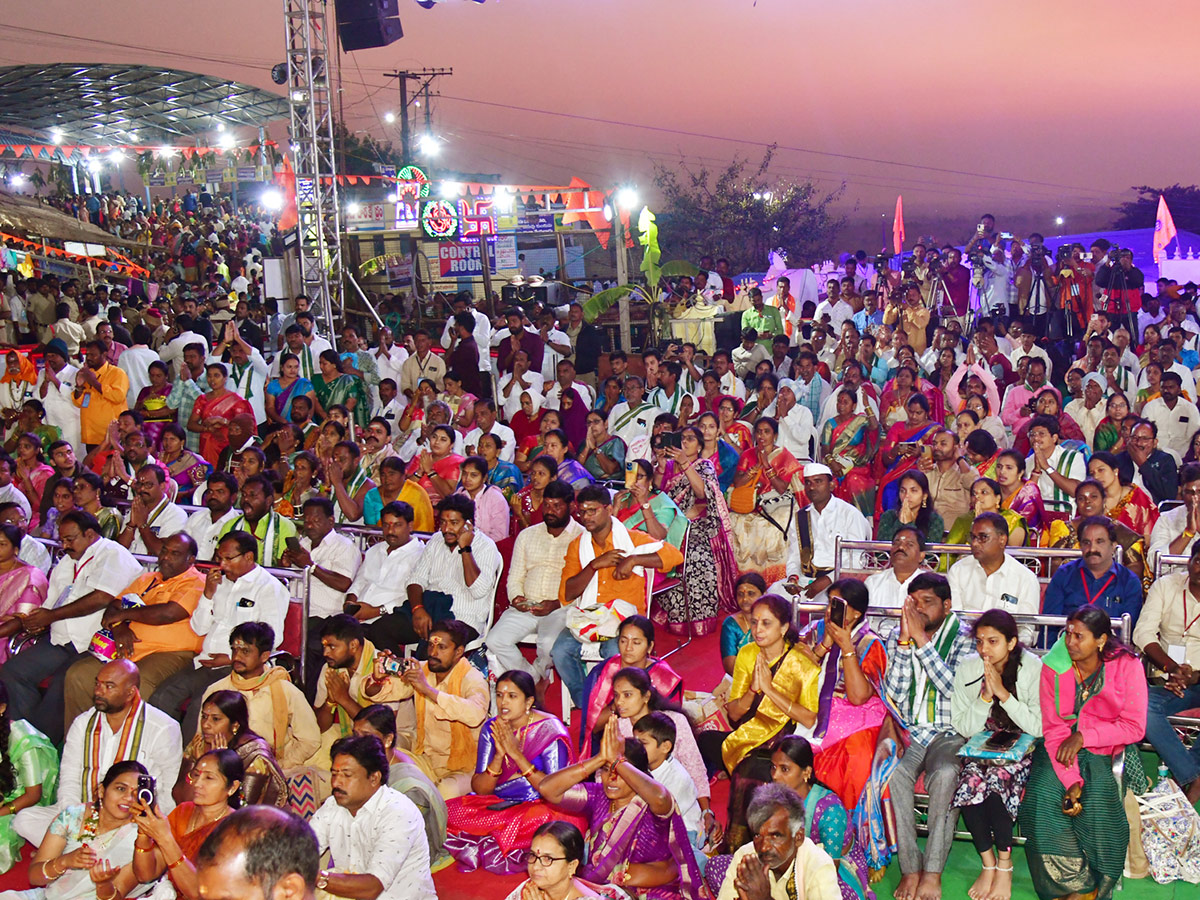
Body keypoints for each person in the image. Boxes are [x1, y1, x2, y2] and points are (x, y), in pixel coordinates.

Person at [1018, 607, 1147, 900]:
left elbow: (1134, 727)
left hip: (1106, 746)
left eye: (1080, 636)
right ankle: (1070, 886)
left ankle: (1097, 885)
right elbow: (1053, 728)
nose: (1070, 642)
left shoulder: (1127, 665)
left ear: (1101, 640)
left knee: (1100, 798)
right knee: (1041, 797)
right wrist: (1070, 779)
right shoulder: (1053, 667)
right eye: (1068, 633)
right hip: (1059, 747)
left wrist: (1085, 736)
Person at [0, 510, 143, 744]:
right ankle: (22, 735)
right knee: (13, 672)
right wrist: (36, 621)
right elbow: (52, 600)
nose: (65, 545)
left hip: (94, 643)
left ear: (90, 534)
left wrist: (51, 616)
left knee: (62, 683)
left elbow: (102, 598)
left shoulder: (113, 554)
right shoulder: (68, 561)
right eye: (62, 540)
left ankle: (40, 746)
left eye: (70, 539)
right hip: (59, 639)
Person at [696, 593, 818, 848]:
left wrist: (770, 689)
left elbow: (808, 718)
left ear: (784, 627)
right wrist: (753, 689)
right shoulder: (748, 654)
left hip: (782, 741)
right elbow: (735, 714)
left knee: (748, 773)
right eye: (754, 623)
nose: (758, 630)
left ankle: (739, 846)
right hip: (747, 734)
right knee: (704, 740)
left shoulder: (802, 664)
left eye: (766, 623)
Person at [17, 659, 182, 846]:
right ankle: (87, 851)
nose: (98, 691)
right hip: (85, 813)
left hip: (130, 820)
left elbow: (169, 789)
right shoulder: (83, 723)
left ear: (130, 692)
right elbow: (70, 776)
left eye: (109, 686)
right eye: (97, 684)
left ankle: (70, 851)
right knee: (25, 819)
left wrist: (148, 824)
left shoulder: (162, 727)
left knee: (132, 840)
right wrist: (73, 816)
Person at [550, 485, 684, 710]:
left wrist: (633, 560)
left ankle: (616, 704)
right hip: (590, 617)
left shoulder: (632, 540)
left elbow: (675, 556)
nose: (586, 517)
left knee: (614, 652)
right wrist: (593, 566)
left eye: (593, 510)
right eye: (582, 512)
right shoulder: (578, 546)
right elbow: (566, 593)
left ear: (609, 509)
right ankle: (590, 706)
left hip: (625, 619)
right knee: (560, 652)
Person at [881, 573, 972, 900]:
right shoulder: (897, 636)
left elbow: (955, 692)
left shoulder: (966, 639)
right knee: (894, 776)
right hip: (913, 733)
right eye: (914, 602)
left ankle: (932, 871)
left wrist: (922, 642)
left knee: (946, 775)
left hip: (951, 733)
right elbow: (892, 695)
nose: (919, 609)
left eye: (928, 603)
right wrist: (906, 644)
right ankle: (910, 869)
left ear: (947, 605)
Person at [538, 720, 703, 900]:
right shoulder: (598, 796)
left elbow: (663, 798)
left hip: (652, 894)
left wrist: (617, 760)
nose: (612, 778)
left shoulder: (651, 806)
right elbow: (548, 789)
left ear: (637, 774)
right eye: (607, 770)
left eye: (621, 772)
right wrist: (601, 757)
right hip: (601, 888)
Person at [148, 530, 289, 735]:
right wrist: (207, 595)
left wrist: (232, 659)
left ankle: (189, 762)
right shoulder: (218, 583)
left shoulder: (269, 588)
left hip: (237, 667)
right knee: (161, 697)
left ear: (248, 557)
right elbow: (198, 628)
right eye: (219, 558)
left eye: (229, 559)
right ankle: (162, 753)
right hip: (205, 662)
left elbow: (271, 638)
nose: (222, 565)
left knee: (200, 708)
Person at [61, 533, 206, 725]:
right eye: (164, 551)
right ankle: (85, 738)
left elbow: (169, 613)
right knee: (78, 674)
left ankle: (128, 747)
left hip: (170, 653)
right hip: (127, 648)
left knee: (138, 683)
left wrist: (123, 616)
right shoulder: (147, 579)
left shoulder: (197, 581)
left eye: (175, 553)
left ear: (191, 559)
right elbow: (114, 606)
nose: (166, 557)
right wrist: (119, 628)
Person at [443, 670, 580, 873]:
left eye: (512, 696)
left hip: (541, 806)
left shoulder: (549, 731)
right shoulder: (492, 728)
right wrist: (499, 756)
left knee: (545, 821)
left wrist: (516, 755)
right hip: (501, 803)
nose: (503, 702)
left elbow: (556, 789)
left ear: (528, 701)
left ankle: (499, 836)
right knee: (449, 811)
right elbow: (481, 790)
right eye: (499, 695)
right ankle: (500, 836)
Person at [949, 610, 1044, 900]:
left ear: (1012, 642)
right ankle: (988, 863)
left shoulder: (1031, 667)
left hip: (1022, 744)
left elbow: (1037, 727)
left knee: (996, 787)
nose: (984, 649)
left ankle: (1005, 865)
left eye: (993, 641)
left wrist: (1004, 694)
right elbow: (963, 725)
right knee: (969, 787)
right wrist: (984, 698)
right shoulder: (969, 668)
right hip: (982, 744)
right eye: (979, 642)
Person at [797, 580, 888, 813]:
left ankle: (844, 825)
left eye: (837, 605)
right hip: (809, 702)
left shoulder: (870, 643)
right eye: (828, 603)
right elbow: (794, 675)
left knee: (856, 755)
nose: (829, 611)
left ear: (856, 613)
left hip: (856, 715)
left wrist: (847, 647)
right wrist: (824, 645)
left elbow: (858, 697)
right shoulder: (816, 630)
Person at [309, 735, 438, 900]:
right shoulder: (333, 806)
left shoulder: (398, 813)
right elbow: (303, 850)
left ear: (374, 778)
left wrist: (315, 876)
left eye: (347, 775)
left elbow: (372, 887)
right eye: (334, 774)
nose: (336, 783)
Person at [195, 623, 319, 781]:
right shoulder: (216, 691)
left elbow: (310, 739)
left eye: (245, 651)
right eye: (234, 650)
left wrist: (280, 765)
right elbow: (199, 739)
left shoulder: (286, 691)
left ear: (265, 656)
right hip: (223, 772)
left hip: (272, 772)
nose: (237, 657)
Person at [486, 480, 581, 682]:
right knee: (495, 640)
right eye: (546, 505)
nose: (550, 511)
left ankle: (537, 676)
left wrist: (557, 603)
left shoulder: (582, 537)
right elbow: (515, 576)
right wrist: (517, 598)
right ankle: (533, 678)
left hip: (561, 608)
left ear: (571, 507)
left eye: (557, 506)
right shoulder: (527, 535)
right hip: (526, 607)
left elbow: (584, 585)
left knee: (548, 645)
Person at [385, 619, 489, 799]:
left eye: (442, 648)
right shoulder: (422, 669)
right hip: (428, 761)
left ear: (458, 652)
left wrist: (428, 690)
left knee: (444, 792)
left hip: (466, 767)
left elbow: (475, 714)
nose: (433, 653)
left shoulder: (473, 678)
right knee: (383, 758)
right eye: (431, 646)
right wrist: (379, 678)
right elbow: (389, 692)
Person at [652, 426, 738, 636]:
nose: (685, 442)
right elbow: (658, 493)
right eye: (681, 438)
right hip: (669, 524)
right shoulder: (670, 466)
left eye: (691, 439)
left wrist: (684, 463)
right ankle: (674, 616)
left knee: (693, 554)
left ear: (699, 446)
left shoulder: (704, 465)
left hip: (697, 526)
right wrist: (662, 465)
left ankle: (699, 619)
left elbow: (702, 493)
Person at [22, 761, 148, 900]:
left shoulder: (141, 834)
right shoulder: (73, 816)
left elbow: (117, 896)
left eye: (136, 793)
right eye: (121, 789)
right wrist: (64, 862)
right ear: (101, 790)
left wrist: (103, 884)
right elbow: (34, 877)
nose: (129, 798)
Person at [1134, 540, 1200, 803]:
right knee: (1142, 708)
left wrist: (1197, 675)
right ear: (1190, 562)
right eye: (1198, 560)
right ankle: (1193, 776)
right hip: (1167, 679)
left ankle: (1188, 776)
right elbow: (1143, 633)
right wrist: (1171, 668)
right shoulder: (1166, 586)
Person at [130, 748, 244, 900]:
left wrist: (165, 839)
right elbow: (145, 875)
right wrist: (143, 832)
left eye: (209, 778)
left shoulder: (235, 830)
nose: (197, 783)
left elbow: (201, 894)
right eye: (196, 775)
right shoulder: (183, 811)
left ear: (233, 787)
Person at [351, 704, 447, 865]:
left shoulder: (409, 790)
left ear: (388, 740)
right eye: (356, 735)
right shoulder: (380, 762)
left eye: (366, 736)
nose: (357, 743)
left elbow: (404, 843)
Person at [715, 783, 840, 900]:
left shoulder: (818, 866)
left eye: (775, 836)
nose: (764, 847)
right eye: (758, 835)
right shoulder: (746, 858)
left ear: (798, 837)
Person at [728, 418, 804, 585]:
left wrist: (767, 466)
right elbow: (738, 482)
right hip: (750, 503)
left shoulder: (784, 456)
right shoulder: (748, 454)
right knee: (736, 523)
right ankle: (748, 581)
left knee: (775, 528)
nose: (762, 436)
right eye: (759, 431)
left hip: (776, 504)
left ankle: (774, 581)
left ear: (775, 435)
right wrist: (752, 471)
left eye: (767, 432)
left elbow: (782, 488)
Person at [947, 512, 1041, 643]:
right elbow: (953, 621)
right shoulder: (958, 571)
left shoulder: (1025, 578)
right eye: (973, 537)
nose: (974, 543)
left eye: (983, 537)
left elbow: (1026, 629)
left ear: (1002, 539)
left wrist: (1009, 651)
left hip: (1006, 652)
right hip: (964, 646)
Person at [780, 466, 871, 602]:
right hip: (807, 581)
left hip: (840, 582)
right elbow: (794, 556)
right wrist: (793, 577)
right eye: (808, 483)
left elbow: (857, 559)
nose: (812, 487)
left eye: (818, 481)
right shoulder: (800, 517)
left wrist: (828, 580)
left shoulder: (849, 514)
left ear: (832, 485)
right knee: (774, 597)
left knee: (831, 601)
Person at [1042, 516, 1144, 628]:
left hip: (1109, 644)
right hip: (1068, 643)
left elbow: (1129, 631)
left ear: (1113, 546)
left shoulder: (1129, 581)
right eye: (1086, 543)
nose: (1092, 549)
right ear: (1080, 546)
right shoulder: (1064, 574)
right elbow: (1049, 626)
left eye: (1099, 542)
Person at [0, 681, 58, 874]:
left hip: (21, 804)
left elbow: (33, 795)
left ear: (2, 708)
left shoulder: (25, 740)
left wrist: (2, 811)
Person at [500, 820, 604, 900]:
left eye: (548, 858)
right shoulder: (531, 889)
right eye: (533, 855)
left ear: (571, 866)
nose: (535, 867)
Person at [820, 389, 877, 518]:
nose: (841, 405)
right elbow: (825, 449)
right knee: (831, 483)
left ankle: (860, 519)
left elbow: (874, 426)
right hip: (834, 463)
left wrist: (867, 405)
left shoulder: (861, 421)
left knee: (854, 481)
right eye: (839, 402)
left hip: (857, 465)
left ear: (854, 406)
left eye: (845, 402)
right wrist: (832, 462)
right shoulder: (830, 424)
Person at [218, 475, 298, 567]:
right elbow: (219, 558)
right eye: (244, 495)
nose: (246, 499)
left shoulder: (284, 526)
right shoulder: (231, 525)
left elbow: (283, 566)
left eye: (252, 495)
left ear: (268, 501)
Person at [1085, 449, 1159, 544]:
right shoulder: (1091, 500)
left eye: (1101, 470)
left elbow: (1153, 534)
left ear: (1115, 471)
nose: (1096, 477)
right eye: (1092, 473)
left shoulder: (1136, 497)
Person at [189, 363, 255, 467]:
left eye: (216, 376)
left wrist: (222, 421)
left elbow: (245, 429)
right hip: (207, 445)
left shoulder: (236, 401)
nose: (212, 379)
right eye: (209, 376)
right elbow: (191, 425)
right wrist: (208, 429)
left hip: (228, 445)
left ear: (225, 378)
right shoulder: (202, 399)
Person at [72, 340, 130, 451]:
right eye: (87, 354)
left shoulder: (117, 373)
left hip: (110, 436)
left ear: (104, 354)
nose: (88, 358)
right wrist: (79, 387)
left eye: (93, 355)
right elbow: (78, 402)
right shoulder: (86, 373)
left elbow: (118, 396)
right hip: (91, 436)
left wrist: (94, 382)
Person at [876, 470, 945, 544]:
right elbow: (881, 551)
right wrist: (899, 523)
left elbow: (929, 554)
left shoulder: (935, 520)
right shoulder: (888, 516)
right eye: (903, 491)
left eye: (913, 491)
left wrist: (909, 524)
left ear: (924, 496)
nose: (907, 495)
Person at [455, 455, 510, 543]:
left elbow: (500, 535)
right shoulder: (459, 495)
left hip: (488, 548)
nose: (467, 479)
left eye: (473, 475)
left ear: (484, 478)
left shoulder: (496, 498)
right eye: (465, 474)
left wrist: (474, 543)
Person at [995, 449, 1045, 532]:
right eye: (999, 467)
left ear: (1020, 473)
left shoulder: (1029, 492)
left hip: (1026, 538)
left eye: (1009, 468)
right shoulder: (992, 486)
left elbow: (1019, 524)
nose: (1002, 471)